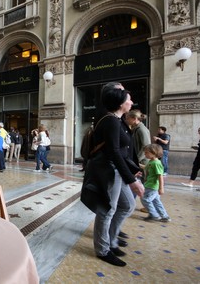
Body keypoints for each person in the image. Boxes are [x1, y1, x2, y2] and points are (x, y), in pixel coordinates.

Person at [81, 82, 144, 267]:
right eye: (128, 100)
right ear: (120, 104)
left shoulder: (117, 120)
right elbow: (114, 152)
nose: (131, 103)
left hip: (118, 170)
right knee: (107, 210)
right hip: (109, 171)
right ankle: (103, 249)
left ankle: (111, 239)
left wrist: (132, 170)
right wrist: (132, 180)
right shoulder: (110, 121)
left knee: (127, 205)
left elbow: (123, 150)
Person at [141, 144, 171, 222]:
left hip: (153, 186)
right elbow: (146, 167)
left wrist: (161, 188)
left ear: (154, 153)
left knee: (145, 200)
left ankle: (154, 215)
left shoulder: (157, 163)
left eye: (146, 153)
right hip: (149, 185)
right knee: (156, 202)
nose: (145, 154)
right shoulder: (151, 161)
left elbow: (160, 176)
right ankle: (165, 216)